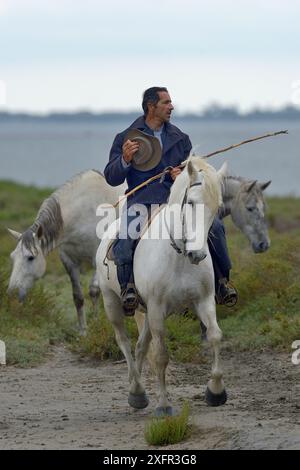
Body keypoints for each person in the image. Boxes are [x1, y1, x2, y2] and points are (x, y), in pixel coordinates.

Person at [104, 86, 237, 315]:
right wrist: (125, 159)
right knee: (125, 239)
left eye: (170, 102)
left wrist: (182, 176)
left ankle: (222, 283)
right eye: (166, 103)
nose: (171, 106)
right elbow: (112, 177)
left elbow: (193, 173)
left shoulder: (181, 138)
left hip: (176, 203)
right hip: (141, 202)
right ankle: (129, 289)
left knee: (215, 226)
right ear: (151, 106)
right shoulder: (125, 138)